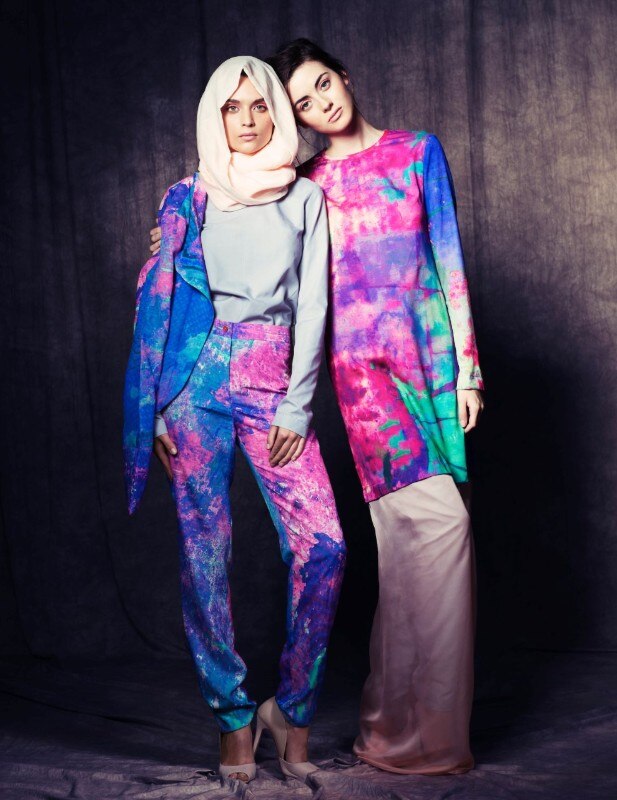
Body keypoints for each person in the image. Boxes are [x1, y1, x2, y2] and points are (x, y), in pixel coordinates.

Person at [124, 55, 346, 784]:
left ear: (276, 113)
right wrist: (160, 405)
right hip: (193, 383)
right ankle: (231, 719)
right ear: (213, 116)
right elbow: (159, 299)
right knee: (204, 554)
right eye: (232, 107)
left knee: (324, 546)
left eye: (259, 106)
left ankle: (292, 708)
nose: (247, 120)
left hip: (272, 376)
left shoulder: (303, 199)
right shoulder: (187, 198)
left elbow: (313, 304)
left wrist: (297, 401)